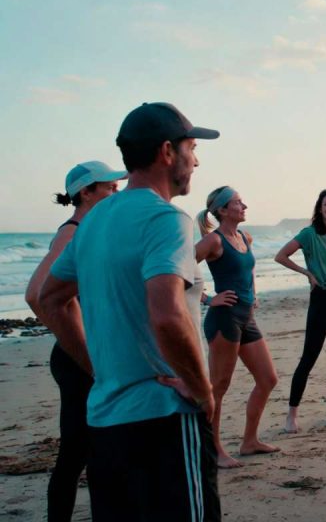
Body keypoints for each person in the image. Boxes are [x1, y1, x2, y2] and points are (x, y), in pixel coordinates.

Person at [38, 102, 221, 521]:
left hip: (106, 423)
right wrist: (202, 391)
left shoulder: (96, 220)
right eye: (191, 147)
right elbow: (167, 314)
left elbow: (50, 300)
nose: (196, 159)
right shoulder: (167, 220)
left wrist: (98, 369)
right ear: (167, 152)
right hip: (166, 419)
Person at [25, 160, 125, 522]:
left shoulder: (93, 230)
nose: (116, 194)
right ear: (86, 192)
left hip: (89, 356)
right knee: (78, 454)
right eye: (109, 188)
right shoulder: (73, 232)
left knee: (94, 451)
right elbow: (38, 295)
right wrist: (86, 355)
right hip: (77, 359)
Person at [195, 186, 280, 468]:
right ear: (222, 210)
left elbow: (249, 268)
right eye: (237, 202)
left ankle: (249, 441)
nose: (244, 206)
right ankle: (214, 450)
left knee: (268, 378)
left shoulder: (245, 236)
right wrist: (208, 298)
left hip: (247, 317)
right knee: (218, 387)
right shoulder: (213, 241)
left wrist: (253, 293)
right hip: (224, 319)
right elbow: (178, 269)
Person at [275, 189, 326, 431]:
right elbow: (281, 256)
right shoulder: (309, 234)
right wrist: (307, 273)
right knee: (309, 356)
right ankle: (292, 415)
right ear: (319, 209)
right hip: (321, 297)